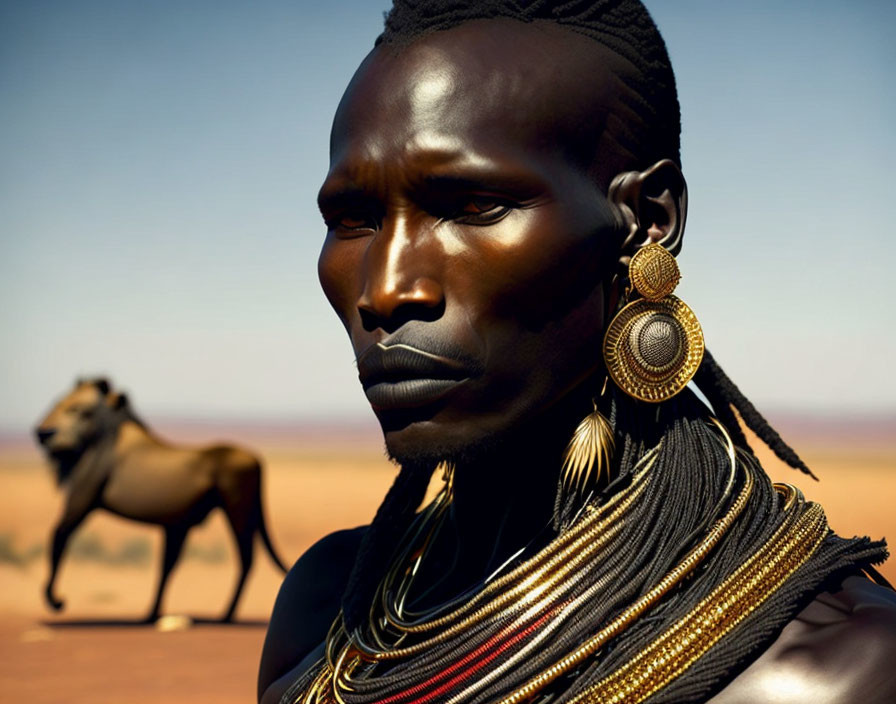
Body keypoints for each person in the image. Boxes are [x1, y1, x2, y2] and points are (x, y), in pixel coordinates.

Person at [259, 2, 896, 702]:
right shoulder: (325, 610)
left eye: (472, 205)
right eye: (352, 219)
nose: (384, 290)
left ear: (648, 220)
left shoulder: (827, 674)